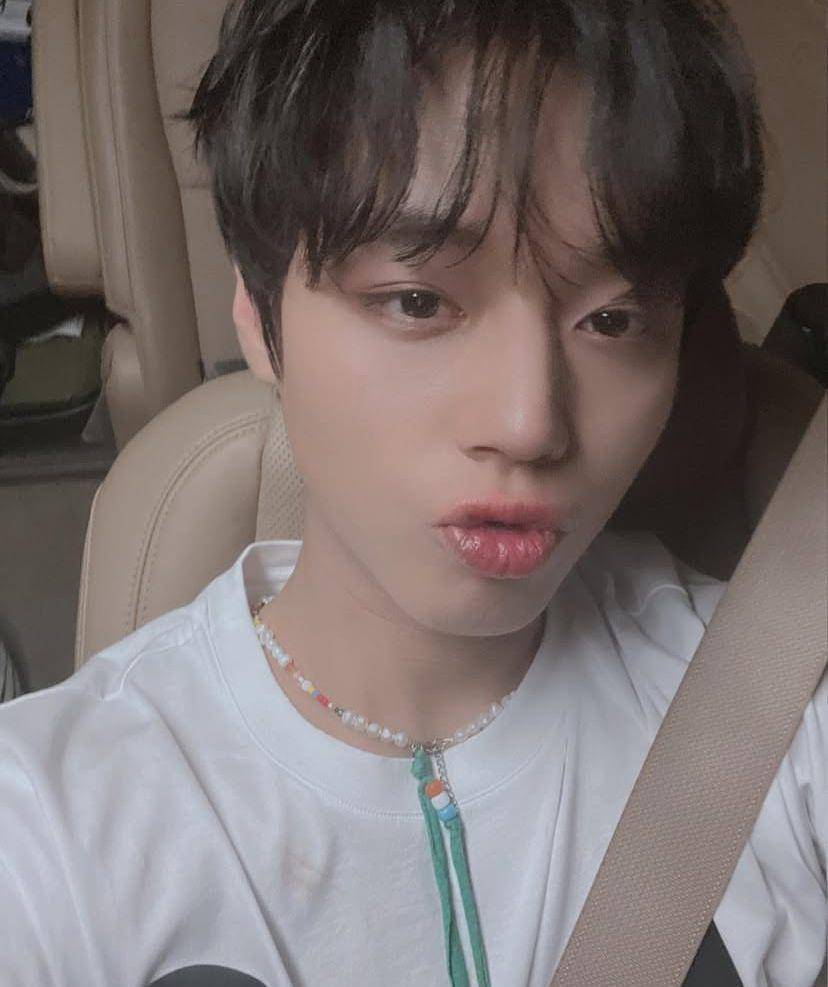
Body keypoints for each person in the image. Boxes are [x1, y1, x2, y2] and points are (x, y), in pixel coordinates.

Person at [0, 1, 825, 985]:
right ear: (259, 317)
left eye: (613, 321)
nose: (529, 422)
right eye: (418, 301)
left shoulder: (781, 707)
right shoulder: (46, 827)